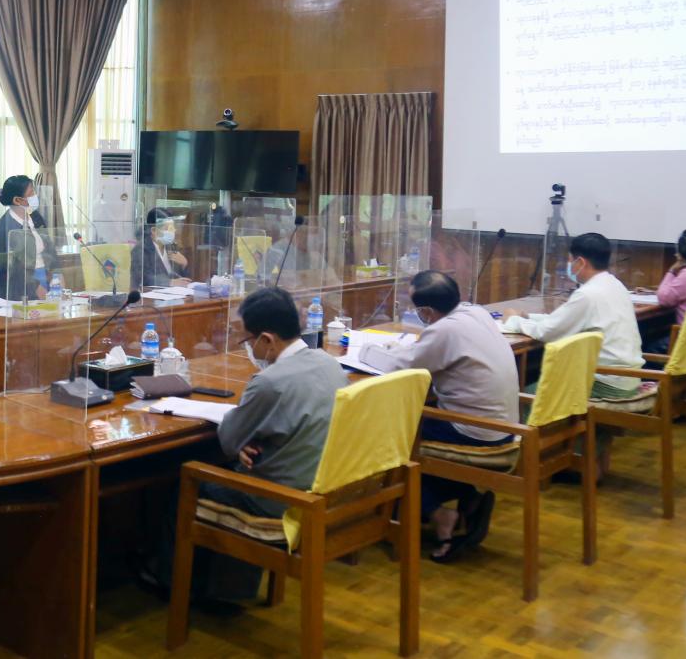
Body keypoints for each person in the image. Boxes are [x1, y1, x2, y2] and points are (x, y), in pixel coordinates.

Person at [147, 287, 351, 599]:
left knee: (188, 483)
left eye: (247, 340)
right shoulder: (328, 363)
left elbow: (230, 441)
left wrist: (243, 434)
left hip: (279, 501)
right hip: (322, 490)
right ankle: (228, 591)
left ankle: (173, 586)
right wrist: (250, 434)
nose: (248, 348)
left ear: (267, 340)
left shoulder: (269, 382)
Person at [362, 271, 518, 562]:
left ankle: (436, 513)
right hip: (504, 428)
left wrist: (365, 350)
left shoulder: (444, 331)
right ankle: (465, 494)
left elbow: (397, 367)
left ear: (425, 312)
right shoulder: (476, 312)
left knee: (387, 437)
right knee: (409, 429)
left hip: (473, 431)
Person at [502, 232, 643, 476]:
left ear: (580, 262)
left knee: (527, 393)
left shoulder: (588, 294)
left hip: (606, 383)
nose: (569, 266)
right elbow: (565, 320)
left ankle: (528, 467)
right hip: (625, 377)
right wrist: (528, 316)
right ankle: (578, 459)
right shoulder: (613, 284)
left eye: (570, 261)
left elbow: (547, 332)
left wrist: (513, 321)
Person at [0, 175, 58, 300]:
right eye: (31, 193)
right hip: (21, 288)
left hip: (45, 278)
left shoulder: (36, 217)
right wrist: (35, 287)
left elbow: (50, 249)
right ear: (17, 200)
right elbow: (9, 267)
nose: (35, 196)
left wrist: (57, 274)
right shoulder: (5, 226)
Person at [139, 207, 190, 287]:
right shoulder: (142, 250)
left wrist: (184, 264)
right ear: (154, 230)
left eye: (173, 227)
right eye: (168, 228)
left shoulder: (171, 247)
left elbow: (184, 280)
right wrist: (170, 282)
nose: (173, 231)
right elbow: (144, 278)